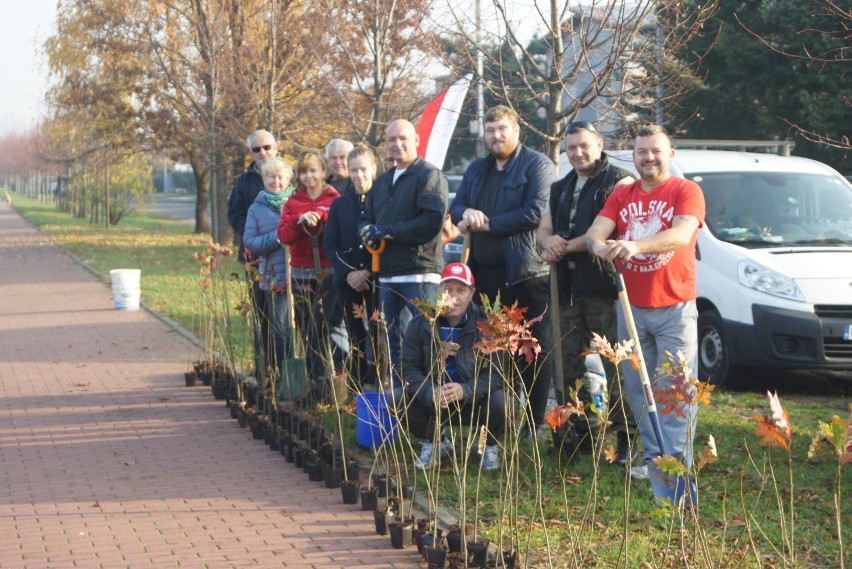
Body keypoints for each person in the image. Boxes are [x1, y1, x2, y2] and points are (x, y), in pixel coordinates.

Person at [585, 124, 706, 479]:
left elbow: (682, 233)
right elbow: (596, 233)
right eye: (641, 152)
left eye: (656, 151)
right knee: (639, 389)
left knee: (676, 390)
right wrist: (600, 246)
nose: (648, 158)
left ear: (670, 154)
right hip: (631, 307)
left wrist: (635, 245)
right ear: (633, 156)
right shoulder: (623, 194)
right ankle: (654, 460)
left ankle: (677, 463)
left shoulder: (686, 190)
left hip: (675, 307)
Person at [449, 105, 556, 433]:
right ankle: (500, 420)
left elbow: (535, 212)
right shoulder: (477, 169)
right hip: (485, 276)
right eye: (491, 129)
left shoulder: (537, 165)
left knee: (533, 351)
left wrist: (487, 224)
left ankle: (534, 424)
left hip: (526, 275)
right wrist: (466, 213)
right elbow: (456, 206)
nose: (496, 135)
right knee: (493, 352)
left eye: (502, 129)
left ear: (517, 130)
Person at [538, 121, 637, 465]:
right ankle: (577, 438)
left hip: (604, 287)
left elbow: (601, 232)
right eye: (571, 148)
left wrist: (564, 246)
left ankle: (628, 441)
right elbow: (545, 226)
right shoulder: (561, 186)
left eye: (584, 146)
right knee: (565, 368)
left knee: (617, 368)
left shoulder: (619, 181)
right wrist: (548, 241)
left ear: (599, 144)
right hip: (564, 289)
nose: (578, 153)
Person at [359, 119, 448, 382]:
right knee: (394, 344)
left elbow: (431, 223)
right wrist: (364, 230)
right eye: (391, 140)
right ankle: (403, 405)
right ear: (385, 144)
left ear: (416, 141)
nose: (397, 145)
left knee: (422, 342)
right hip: (388, 274)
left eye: (403, 139)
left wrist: (388, 231)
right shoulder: (383, 181)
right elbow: (366, 216)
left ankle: (430, 409)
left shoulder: (429, 176)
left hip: (420, 274)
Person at [404, 262, 504, 471]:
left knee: (501, 402)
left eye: (461, 290)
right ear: (439, 290)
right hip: (436, 399)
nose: (454, 296)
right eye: (448, 289)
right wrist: (430, 392)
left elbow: (496, 374)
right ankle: (435, 442)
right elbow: (409, 369)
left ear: (472, 293)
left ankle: (487, 445)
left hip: (474, 399)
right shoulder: (420, 323)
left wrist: (465, 390)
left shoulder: (487, 326)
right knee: (400, 398)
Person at [276, 151, 345, 398]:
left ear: (323, 172)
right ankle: (312, 381)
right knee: (306, 328)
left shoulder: (334, 198)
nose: (308, 176)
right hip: (301, 271)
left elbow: (340, 227)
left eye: (313, 171)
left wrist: (322, 217)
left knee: (323, 325)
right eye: (304, 172)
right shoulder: (293, 202)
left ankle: (328, 377)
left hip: (328, 271)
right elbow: (283, 235)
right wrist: (298, 220)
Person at [324, 145, 377, 387]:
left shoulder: (383, 201)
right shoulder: (339, 204)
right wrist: (349, 273)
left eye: (363, 169)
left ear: (373, 169)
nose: (358, 175)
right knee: (354, 334)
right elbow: (331, 242)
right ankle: (356, 386)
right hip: (347, 282)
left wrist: (367, 271)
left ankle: (377, 384)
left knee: (377, 333)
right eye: (354, 170)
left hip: (376, 278)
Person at [227, 129, 278, 378]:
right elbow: (234, 214)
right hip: (254, 257)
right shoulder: (244, 181)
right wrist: (251, 232)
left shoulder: (287, 176)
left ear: (276, 147)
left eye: (266, 147)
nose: (262, 153)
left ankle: (285, 367)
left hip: (286, 258)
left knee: (286, 315)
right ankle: (263, 367)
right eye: (256, 149)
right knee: (262, 314)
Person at [242, 157, 296, 371]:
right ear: (264, 179)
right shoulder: (256, 208)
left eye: (280, 177)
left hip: (301, 276)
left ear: (288, 179)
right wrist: (278, 236)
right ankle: (287, 376)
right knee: (281, 330)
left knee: (306, 329)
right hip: (274, 278)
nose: (276, 181)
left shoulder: (298, 202)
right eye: (271, 177)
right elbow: (251, 243)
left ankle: (308, 377)